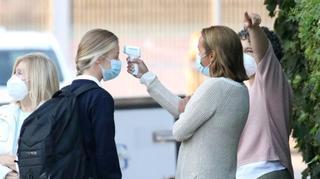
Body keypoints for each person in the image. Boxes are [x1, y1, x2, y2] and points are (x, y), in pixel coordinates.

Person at [128, 26, 250, 178]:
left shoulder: (215, 87)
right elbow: (181, 108)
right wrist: (145, 76)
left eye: (200, 51)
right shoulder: (241, 90)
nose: (198, 55)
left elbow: (179, 131)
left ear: (212, 56)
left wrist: (188, 107)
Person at [235, 12, 294, 179]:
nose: (242, 57)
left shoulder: (271, 82)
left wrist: (253, 29)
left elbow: (263, 52)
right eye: (240, 52)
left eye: (248, 51)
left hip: (266, 170)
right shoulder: (246, 90)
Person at [70, 29, 121, 178]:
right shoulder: (100, 98)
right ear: (99, 58)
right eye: (115, 56)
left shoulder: (63, 94)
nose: (118, 62)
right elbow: (105, 150)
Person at [0, 53, 59, 179]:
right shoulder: (3, 114)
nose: (13, 79)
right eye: (14, 73)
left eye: (20, 73)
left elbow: (57, 164)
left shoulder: (56, 118)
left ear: (38, 78)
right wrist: (5, 174)